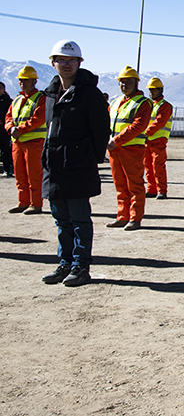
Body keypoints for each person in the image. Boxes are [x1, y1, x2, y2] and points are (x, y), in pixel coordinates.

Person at [40, 39, 109, 287]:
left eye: (72, 60)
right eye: (61, 60)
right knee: (61, 220)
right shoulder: (50, 93)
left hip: (78, 166)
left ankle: (81, 266)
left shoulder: (89, 94)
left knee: (79, 219)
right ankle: (65, 263)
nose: (66, 64)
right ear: (53, 63)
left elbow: (101, 131)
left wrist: (89, 159)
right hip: (54, 167)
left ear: (79, 63)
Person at [107, 66, 151, 231]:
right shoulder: (115, 102)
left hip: (131, 149)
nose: (125, 85)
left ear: (136, 83)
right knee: (120, 185)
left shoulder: (142, 103)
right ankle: (122, 216)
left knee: (134, 185)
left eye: (129, 82)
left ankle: (135, 218)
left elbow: (138, 125)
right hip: (114, 150)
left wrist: (116, 140)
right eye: (122, 82)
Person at [5, 66, 47, 214]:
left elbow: (38, 118)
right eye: (21, 80)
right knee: (20, 175)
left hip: (34, 143)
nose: (22, 83)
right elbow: (8, 117)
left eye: (26, 80)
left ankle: (35, 204)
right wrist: (10, 128)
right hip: (18, 143)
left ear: (34, 81)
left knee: (34, 175)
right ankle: (23, 202)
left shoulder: (41, 98)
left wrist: (19, 130)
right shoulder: (17, 99)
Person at [143, 77, 173, 200]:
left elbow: (159, 122)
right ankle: (151, 189)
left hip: (158, 140)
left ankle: (161, 190)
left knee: (158, 166)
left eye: (153, 90)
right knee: (148, 166)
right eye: (150, 90)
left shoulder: (165, 106)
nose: (151, 92)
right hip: (147, 141)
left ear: (160, 90)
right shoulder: (150, 105)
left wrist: (145, 132)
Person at [0, 81, 12, 177]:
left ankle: (7, 169)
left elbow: (11, 115)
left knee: (5, 150)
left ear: (4, 89)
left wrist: (4, 122)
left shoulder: (8, 101)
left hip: (4, 130)